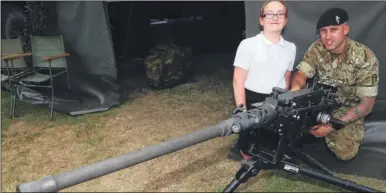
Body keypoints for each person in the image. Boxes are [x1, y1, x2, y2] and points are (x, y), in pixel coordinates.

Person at [291, 7, 379, 161]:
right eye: (324, 31)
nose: (327, 37)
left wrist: (331, 126)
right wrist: (295, 90)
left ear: (345, 30)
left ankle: (329, 132)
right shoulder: (318, 47)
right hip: (320, 103)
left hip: (347, 108)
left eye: (333, 30)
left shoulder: (364, 57)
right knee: (286, 123)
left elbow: (367, 105)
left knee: (345, 152)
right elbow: (301, 73)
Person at [228, 0, 297, 161]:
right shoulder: (248, 45)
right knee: (249, 150)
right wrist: (242, 112)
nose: (275, 18)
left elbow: (287, 78)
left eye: (280, 14)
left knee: (274, 149)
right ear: (261, 20)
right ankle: (242, 148)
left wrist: (284, 103)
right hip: (253, 99)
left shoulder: (291, 48)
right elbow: (238, 81)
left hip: (277, 99)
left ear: (285, 20)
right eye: (270, 14)